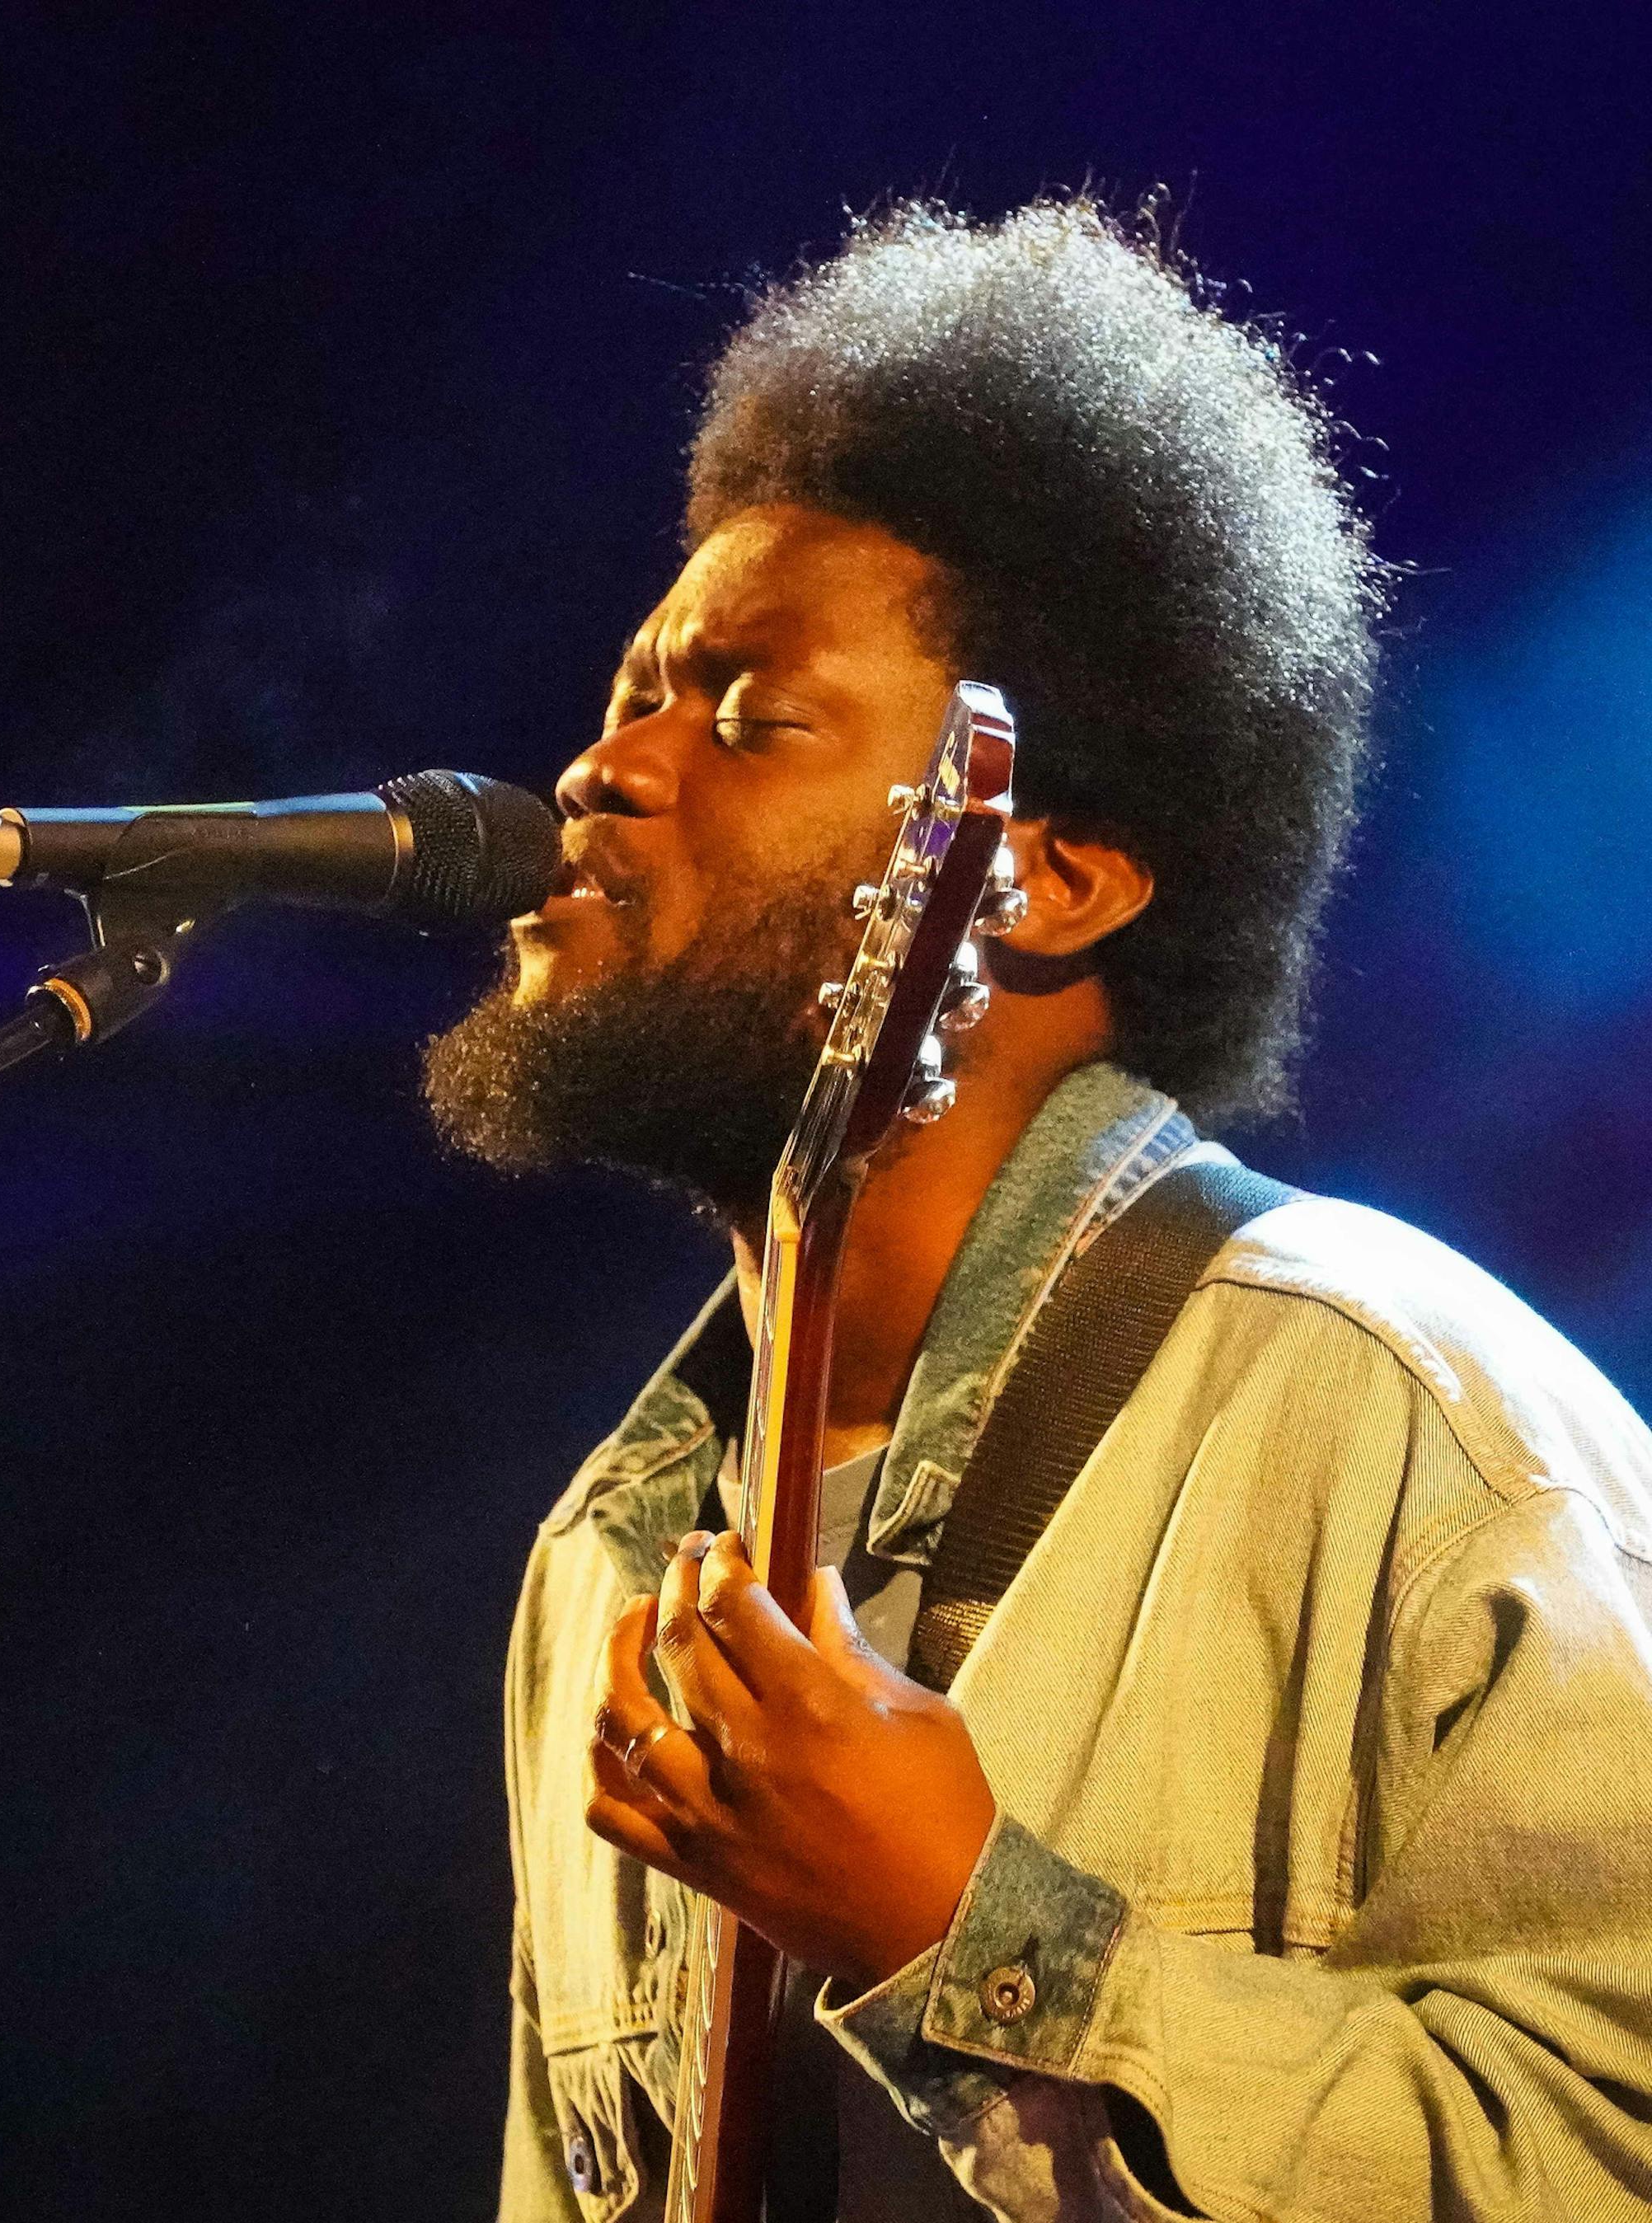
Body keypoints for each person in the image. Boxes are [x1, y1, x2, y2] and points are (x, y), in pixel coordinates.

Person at [425, 199, 1652, 2219]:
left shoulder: (1395, 1412)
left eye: (747, 713)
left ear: (1050, 877)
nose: (597, 771)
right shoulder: (615, 1553)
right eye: (637, 694)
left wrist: (968, 1926)